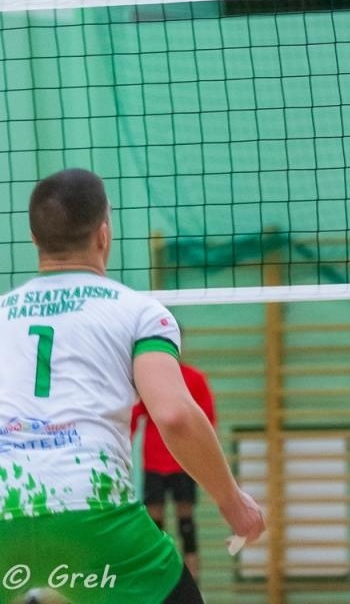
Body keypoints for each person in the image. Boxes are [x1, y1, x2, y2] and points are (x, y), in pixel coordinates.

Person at [0, 168, 264, 604]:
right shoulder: (140, 313)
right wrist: (232, 502)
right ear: (104, 234)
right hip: (94, 516)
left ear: (33, 238)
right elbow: (175, 414)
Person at [132, 362, 217, 583]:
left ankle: (192, 581)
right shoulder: (149, 376)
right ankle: (155, 578)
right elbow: (134, 415)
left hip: (184, 461)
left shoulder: (194, 378)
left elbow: (207, 417)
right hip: (153, 460)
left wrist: (203, 451)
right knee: (154, 524)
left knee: (185, 522)